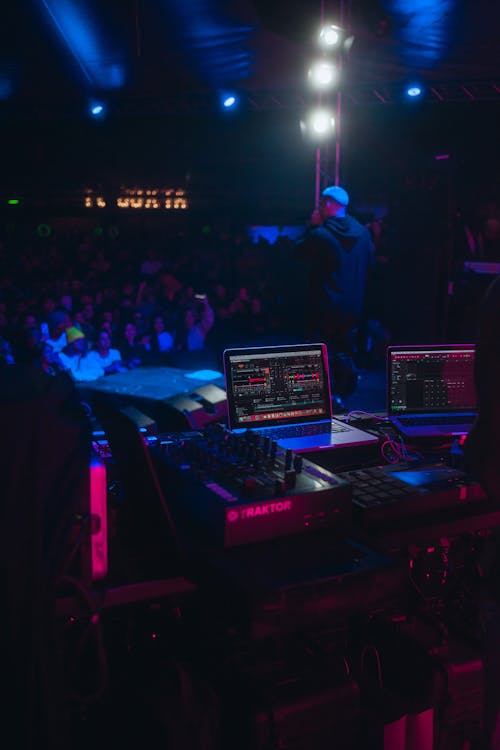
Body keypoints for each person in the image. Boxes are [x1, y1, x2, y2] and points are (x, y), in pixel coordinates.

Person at [298, 185, 375, 357]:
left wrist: (311, 226)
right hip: (353, 310)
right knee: (346, 358)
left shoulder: (321, 234)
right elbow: (371, 268)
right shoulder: (363, 234)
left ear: (327, 205)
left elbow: (298, 254)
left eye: (321, 203)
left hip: (324, 311)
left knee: (322, 361)